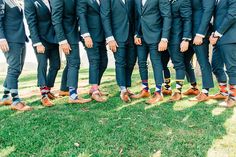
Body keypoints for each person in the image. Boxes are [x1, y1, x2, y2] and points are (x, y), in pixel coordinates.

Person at [51, 0, 91, 104]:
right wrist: (62, 41)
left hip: (74, 32)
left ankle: (64, 90)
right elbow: (56, 19)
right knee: (74, 63)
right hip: (67, 35)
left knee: (70, 63)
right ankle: (73, 96)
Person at [133, 0, 171, 104]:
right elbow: (138, 16)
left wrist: (164, 38)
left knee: (156, 63)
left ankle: (159, 92)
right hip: (141, 37)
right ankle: (145, 89)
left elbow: (167, 16)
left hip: (156, 36)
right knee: (141, 62)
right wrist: (136, 33)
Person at [25, 0, 60, 107]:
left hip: (53, 38)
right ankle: (43, 95)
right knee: (43, 65)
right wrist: (37, 42)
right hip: (40, 40)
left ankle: (48, 89)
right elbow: (31, 22)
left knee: (56, 65)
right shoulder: (30, 2)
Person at [100, 0, 137, 102]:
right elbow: (105, 17)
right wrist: (110, 38)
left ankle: (126, 86)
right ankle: (123, 89)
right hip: (116, 36)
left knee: (131, 61)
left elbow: (134, 14)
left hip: (131, 35)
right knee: (120, 62)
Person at [0, 0, 32, 111]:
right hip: (9, 39)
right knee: (14, 68)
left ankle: (5, 97)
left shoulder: (16, 1)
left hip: (20, 38)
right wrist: (1, 38)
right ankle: (15, 100)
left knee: (17, 68)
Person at [77, 0, 108, 102]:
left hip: (102, 35)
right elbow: (81, 15)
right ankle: (95, 91)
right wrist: (86, 35)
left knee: (104, 62)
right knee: (94, 61)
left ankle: (95, 87)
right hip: (90, 35)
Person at [209, 0, 236, 108]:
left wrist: (216, 34)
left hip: (229, 37)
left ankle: (233, 97)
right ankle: (223, 92)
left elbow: (232, 15)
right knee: (216, 66)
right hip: (218, 39)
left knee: (232, 68)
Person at [167, 0, 193, 101]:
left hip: (176, 38)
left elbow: (187, 20)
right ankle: (166, 88)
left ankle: (178, 92)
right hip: (164, 38)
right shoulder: (167, 2)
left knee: (178, 64)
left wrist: (186, 39)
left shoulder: (183, 1)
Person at [190, 0, 215, 102]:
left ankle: (205, 92)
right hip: (188, 34)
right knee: (184, 60)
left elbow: (208, 10)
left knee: (203, 61)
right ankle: (194, 87)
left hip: (200, 33)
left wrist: (200, 34)